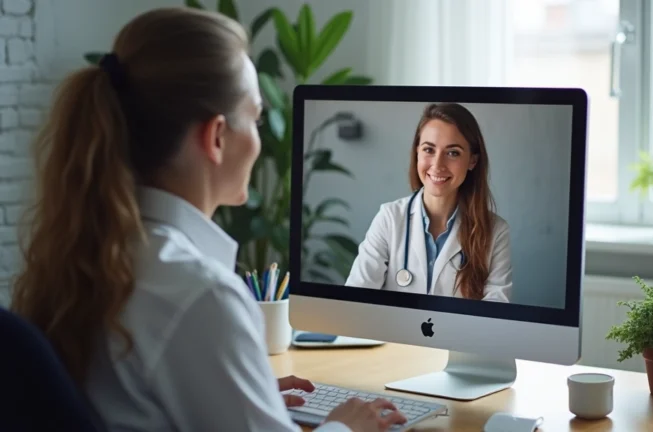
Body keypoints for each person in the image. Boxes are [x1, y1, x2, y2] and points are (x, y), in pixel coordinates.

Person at [10, 7, 405, 432]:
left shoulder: (90, 253)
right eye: (255, 118)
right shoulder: (200, 295)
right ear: (216, 136)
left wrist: (239, 394)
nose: (260, 137)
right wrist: (347, 426)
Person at [345, 103, 513, 302]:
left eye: (453, 152)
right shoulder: (389, 219)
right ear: (417, 152)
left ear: (472, 161)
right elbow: (354, 300)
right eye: (429, 149)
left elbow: (495, 312)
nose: (437, 165)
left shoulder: (496, 231)